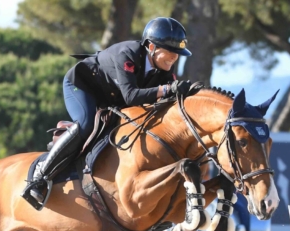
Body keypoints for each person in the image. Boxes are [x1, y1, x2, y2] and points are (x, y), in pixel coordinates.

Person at [21, 17, 195, 210]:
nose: (174, 57)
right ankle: (40, 175)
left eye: (178, 53)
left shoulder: (165, 72)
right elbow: (130, 96)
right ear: (152, 47)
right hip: (82, 86)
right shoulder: (127, 54)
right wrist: (167, 90)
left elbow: (165, 102)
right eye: (170, 51)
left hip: (111, 98)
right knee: (85, 124)